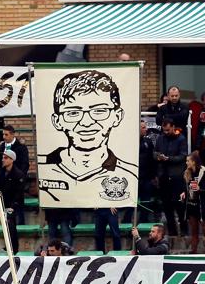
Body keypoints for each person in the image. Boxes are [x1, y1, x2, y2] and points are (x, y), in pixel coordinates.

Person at [37, 69, 139, 205]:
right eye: (73, 112)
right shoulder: (42, 168)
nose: (86, 122)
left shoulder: (130, 174)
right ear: (57, 121)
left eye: (99, 111)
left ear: (117, 116)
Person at [154, 119, 188, 236]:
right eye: (164, 130)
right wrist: (158, 157)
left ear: (173, 127)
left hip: (177, 177)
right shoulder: (160, 138)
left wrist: (168, 159)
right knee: (167, 207)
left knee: (179, 206)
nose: (166, 132)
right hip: (164, 177)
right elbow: (155, 152)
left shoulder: (181, 139)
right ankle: (172, 232)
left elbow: (183, 156)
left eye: (168, 130)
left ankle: (184, 230)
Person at [0, 148, 25, 251]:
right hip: (3, 203)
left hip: (13, 205)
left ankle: (14, 248)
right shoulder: (0, 172)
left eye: (6, 158)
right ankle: (8, 246)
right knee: (6, 226)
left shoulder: (18, 174)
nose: (3, 160)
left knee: (11, 225)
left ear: (12, 160)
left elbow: (19, 193)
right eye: (3, 157)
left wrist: (12, 207)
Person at [182, 151, 205, 254]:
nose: (186, 163)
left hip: (202, 205)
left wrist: (200, 188)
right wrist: (184, 193)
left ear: (193, 161)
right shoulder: (187, 173)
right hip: (191, 205)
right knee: (193, 231)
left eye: (188, 161)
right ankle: (193, 250)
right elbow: (186, 188)